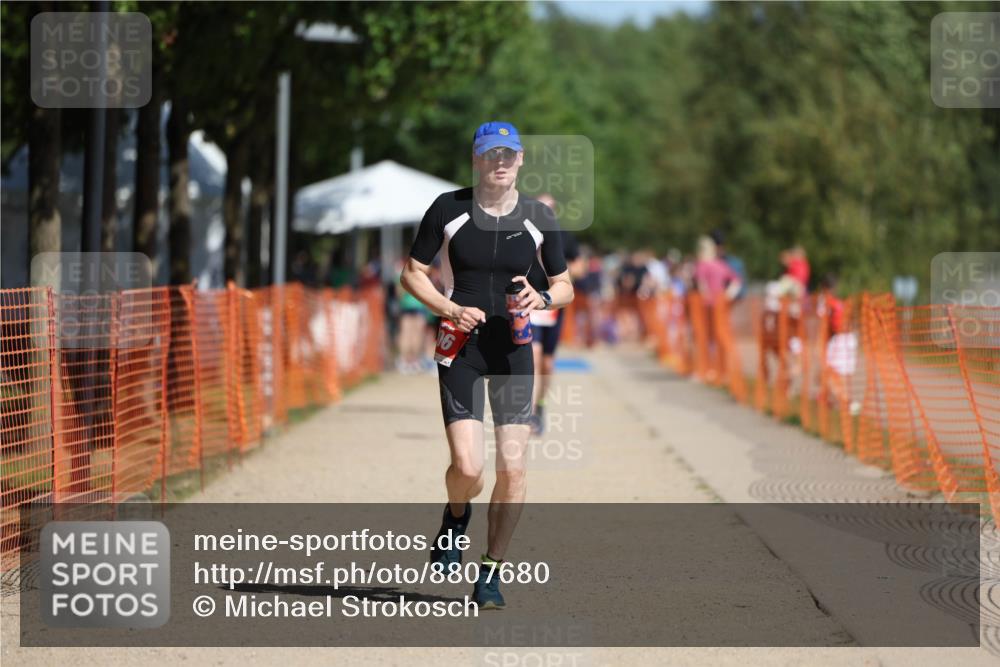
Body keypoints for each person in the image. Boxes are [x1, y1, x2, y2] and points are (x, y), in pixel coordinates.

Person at [401, 121, 574, 609]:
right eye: (490, 153)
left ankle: (491, 572)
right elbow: (411, 274)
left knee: (514, 468)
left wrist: (541, 297)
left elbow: (566, 286)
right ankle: (456, 516)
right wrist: (449, 308)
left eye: (508, 154)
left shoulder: (539, 216)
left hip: (514, 350)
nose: (500, 161)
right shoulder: (448, 209)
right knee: (468, 467)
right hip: (463, 347)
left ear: (520, 160)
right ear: (477, 159)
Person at [526, 194, 584, 435]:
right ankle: (526, 413)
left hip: (552, 307)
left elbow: (580, 267)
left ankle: (539, 407)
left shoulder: (564, 237)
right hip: (529, 304)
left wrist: (558, 274)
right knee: (533, 356)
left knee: (547, 363)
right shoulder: (523, 233)